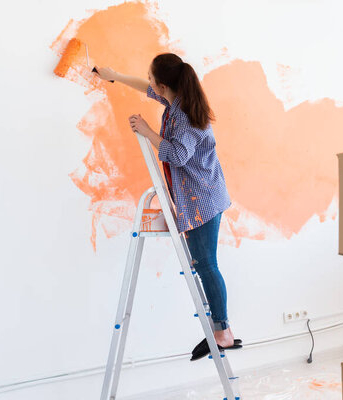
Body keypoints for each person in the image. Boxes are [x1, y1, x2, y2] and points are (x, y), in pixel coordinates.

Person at [94, 53, 240, 360]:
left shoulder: (184, 115)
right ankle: (221, 329)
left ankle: (223, 331)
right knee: (204, 263)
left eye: (151, 79)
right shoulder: (176, 101)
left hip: (202, 200)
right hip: (202, 195)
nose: (147, 83)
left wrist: (147, 131)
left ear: (163, 86)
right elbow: (143, 86)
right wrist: (114, 75)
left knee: (205, 264)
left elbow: (177, 156)